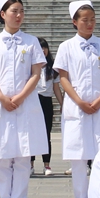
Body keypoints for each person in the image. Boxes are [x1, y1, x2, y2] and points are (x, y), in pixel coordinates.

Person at [0, 0, 48, 198]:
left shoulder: (31, 42)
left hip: (25, 103)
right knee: (1, 155)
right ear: (3, 14)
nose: (19, 15)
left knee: (22, 155)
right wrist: (0, 97)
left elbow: (36, 73)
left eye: (21, 11)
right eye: (14, 11)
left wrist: (19, 97)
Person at [55, 0, 100, 198]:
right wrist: (79, 101)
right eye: (85, 20)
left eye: (93, 20)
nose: (90, 24)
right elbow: (63, 78)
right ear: (75, 22)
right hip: (77, 107)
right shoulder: (66, 46)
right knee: (79, 158)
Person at [34, 37, 60, 176]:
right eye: (40, 47)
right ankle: (31, 164)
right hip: (33, 99)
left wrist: (62, 103)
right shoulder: (30, 65)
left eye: (44, 47)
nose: (43, 50)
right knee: (31, 132)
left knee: (46, 133)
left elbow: (56, 88)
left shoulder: (53, 67)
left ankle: (47, 165)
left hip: (46, 101)